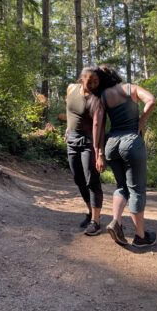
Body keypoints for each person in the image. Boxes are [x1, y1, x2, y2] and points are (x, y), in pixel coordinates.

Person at [94, 65, 157, 247]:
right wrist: (141, 120)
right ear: (114, 75)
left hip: (111, 143)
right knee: (137, 189)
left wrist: (99, 152)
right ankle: (140, 236)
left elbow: (98, 125)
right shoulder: (131, 88)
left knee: (122, 186)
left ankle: (116, 222)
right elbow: (151, 100)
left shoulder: (103, 97)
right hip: (131, 141)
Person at [65, 64, 105, 236]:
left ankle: (96, 221)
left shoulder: (97, 98)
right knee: (78, 179)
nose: (94, 84)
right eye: (91, 80)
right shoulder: (71, 88)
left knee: (91, 180)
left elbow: (100, 126)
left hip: (89, 141)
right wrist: (68, 127)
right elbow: (69, 109)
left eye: (97, 81)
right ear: (82, 78)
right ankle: (90, 213)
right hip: (72, 139)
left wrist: (100, 153)